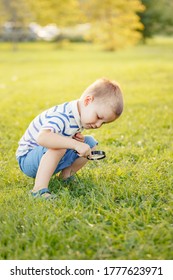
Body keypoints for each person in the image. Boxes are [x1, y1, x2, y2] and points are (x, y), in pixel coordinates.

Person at [16, 78, 123, 199]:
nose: (98, 125)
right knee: (60, 147)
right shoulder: (63, 115)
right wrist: (74, 144)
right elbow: (43, 137)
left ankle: (66, 177)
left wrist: (76, 140)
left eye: (103, 123)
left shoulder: (79, 115)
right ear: (88, 101)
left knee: (91, 143)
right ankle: (38, 190)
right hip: (28, 159)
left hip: (46, 156)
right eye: (98, 117)